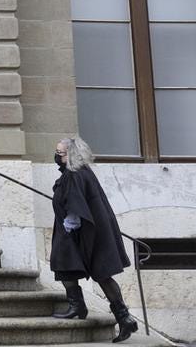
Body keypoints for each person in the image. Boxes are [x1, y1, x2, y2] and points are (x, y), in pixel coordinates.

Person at [49, 136, 138, 343]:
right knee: (93, 271)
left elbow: (75, 200)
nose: (57, 156)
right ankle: (119, 316)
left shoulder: (75, 174)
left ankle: (110, 314)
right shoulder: (81, 172)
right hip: (92, 228)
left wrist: (70, 222)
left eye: (60, 153)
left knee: (68, 262)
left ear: (71, 154)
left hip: (82, 229)